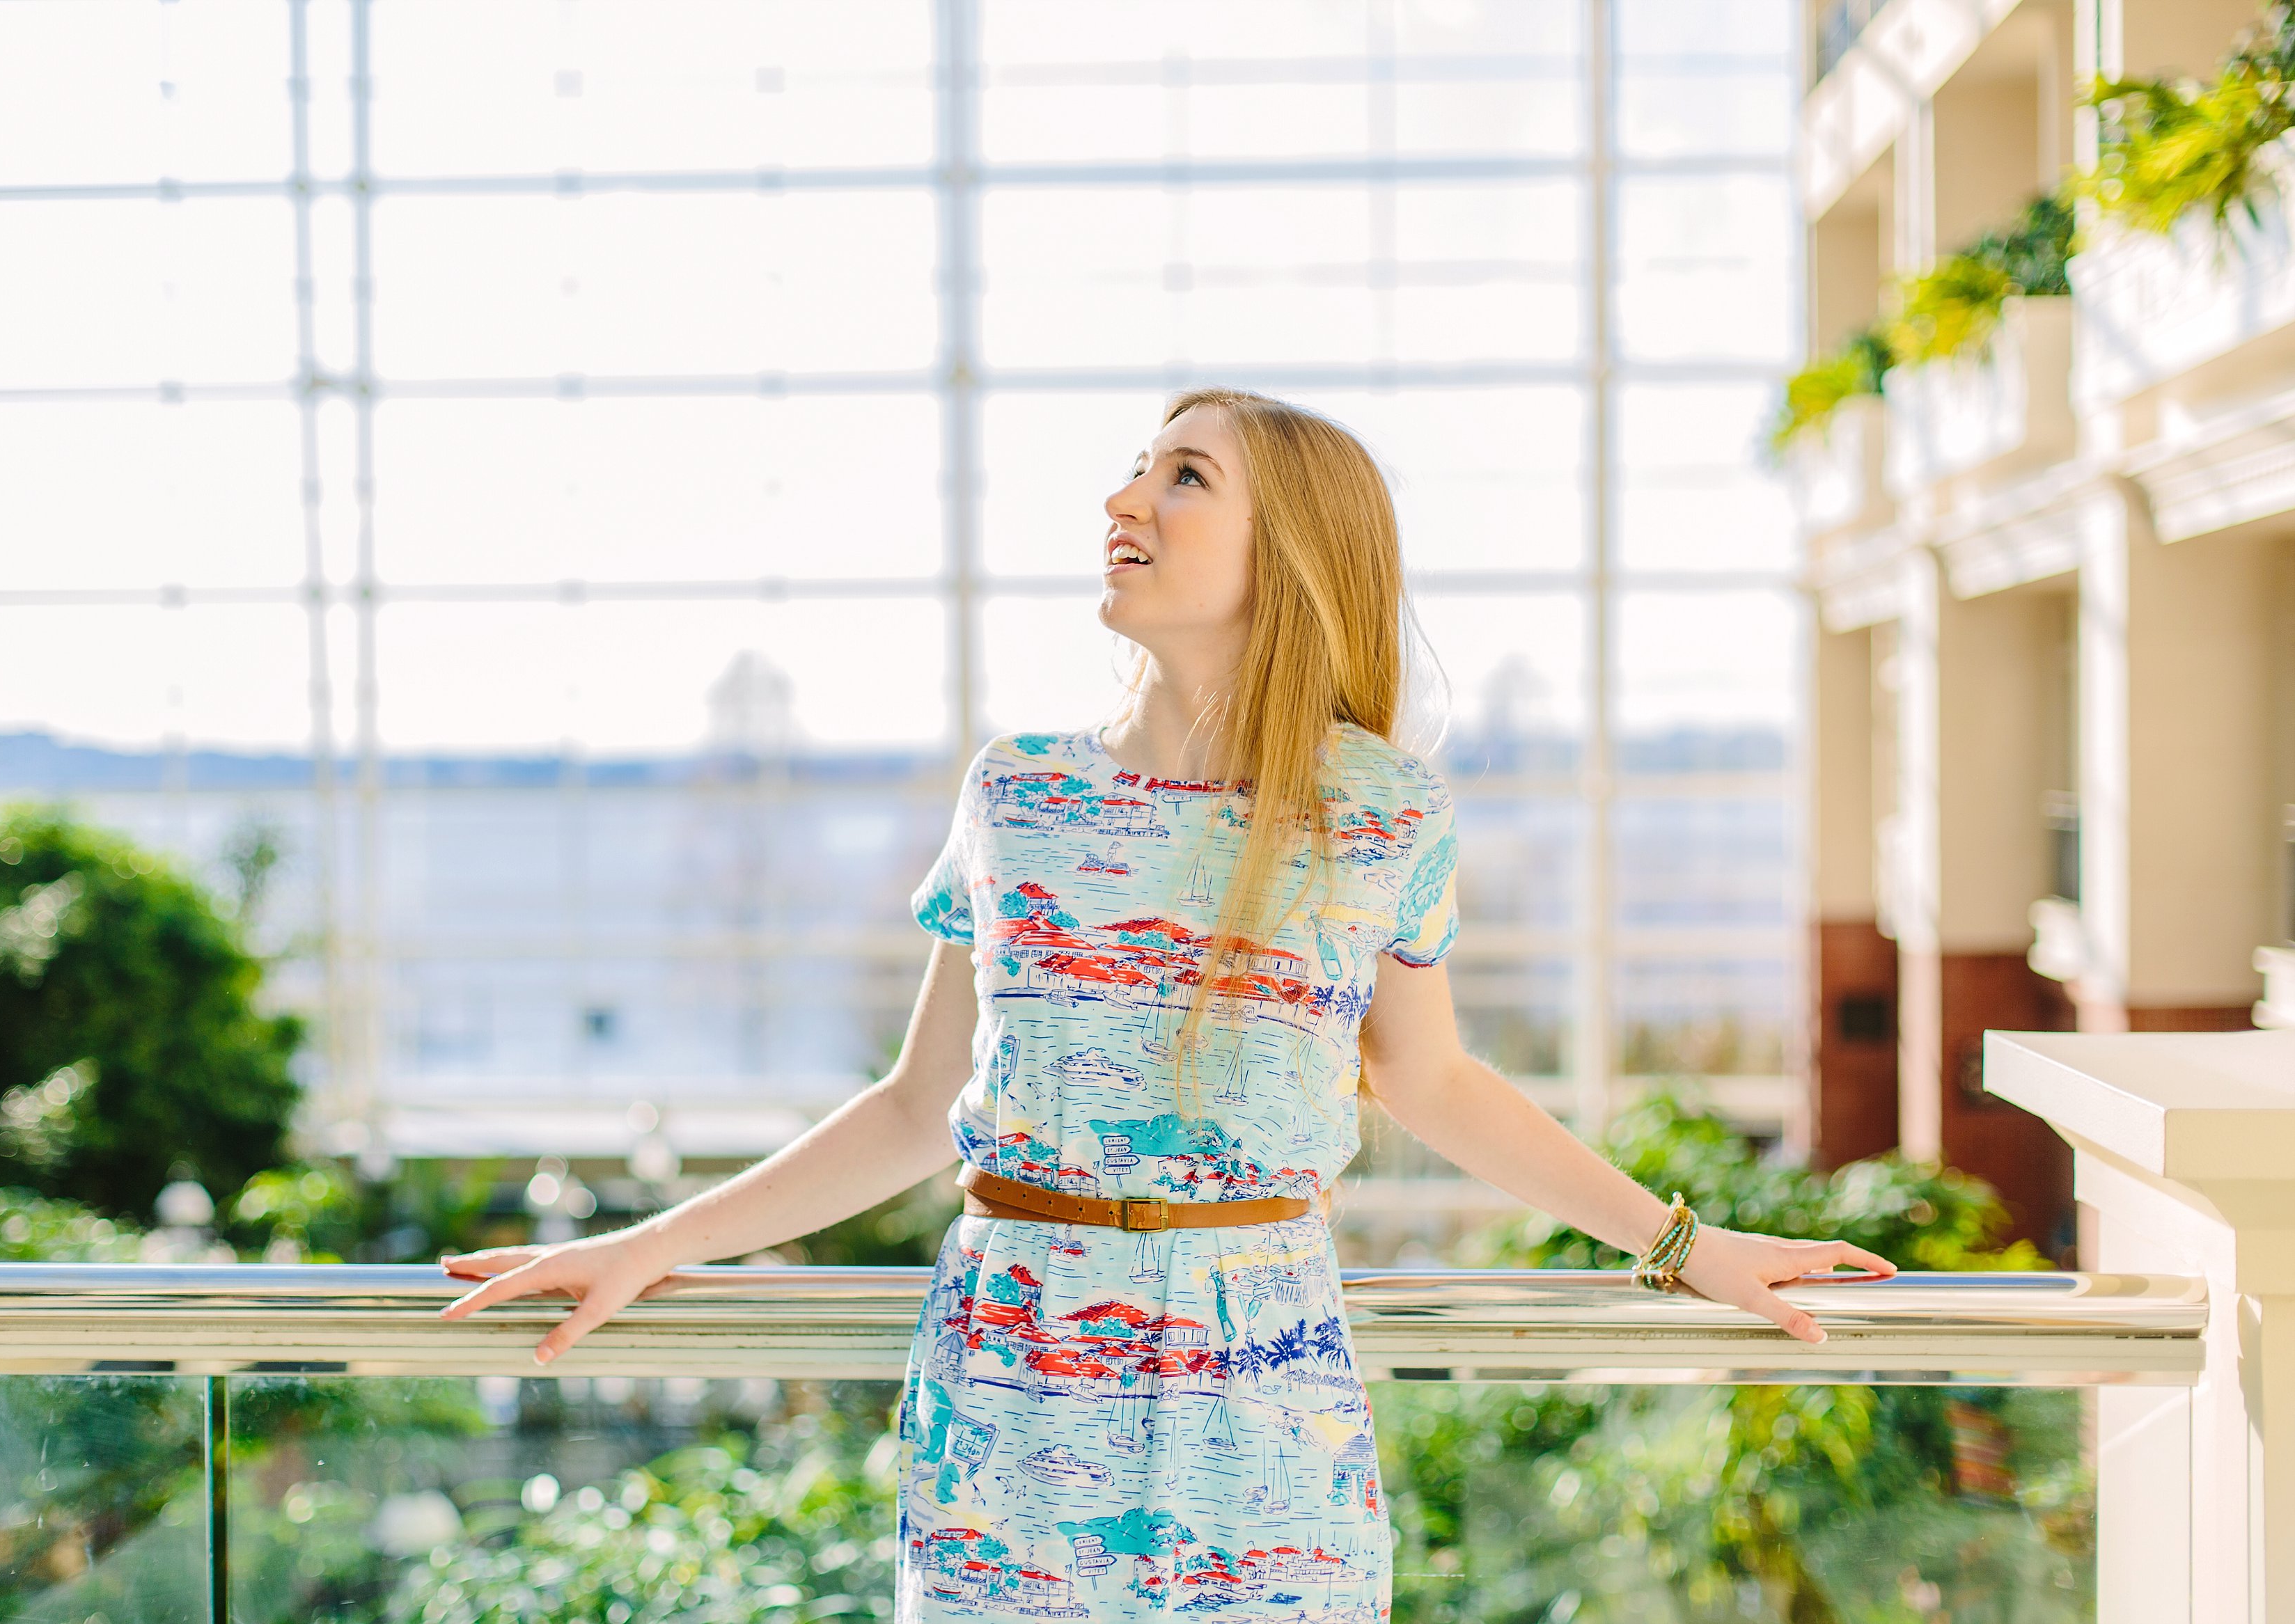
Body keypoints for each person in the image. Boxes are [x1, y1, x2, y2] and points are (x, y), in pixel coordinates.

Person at [439, 387, 1897, 1621]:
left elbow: (1438, 1084)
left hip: (1263, 1395)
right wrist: (652, 1243)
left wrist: (1686, 1246)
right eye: (1140, 463)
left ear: (1290, 556)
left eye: (1182, 475)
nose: (1124, 493)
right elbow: (911, 1108)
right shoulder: (1018, 792)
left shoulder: (1379, 811)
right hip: (1010, 1377)